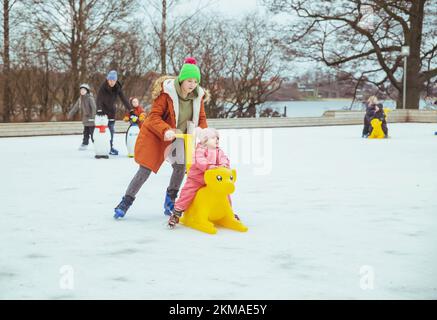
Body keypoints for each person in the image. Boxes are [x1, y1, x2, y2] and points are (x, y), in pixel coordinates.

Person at [113, 57, 208, 219]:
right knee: (145, 170)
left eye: (195, 81)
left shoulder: (198, 97)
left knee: (180, 166)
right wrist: (166, 129)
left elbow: (202, 119)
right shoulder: (167, 94)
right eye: (189, 81)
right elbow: (154, 116)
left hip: (179, 136)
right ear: (181, 80)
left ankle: (170, 200)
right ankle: (125, 202)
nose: (192, 85)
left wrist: (202, 131)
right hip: (158, 135)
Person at [167, 127, 240, 228]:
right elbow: (200, 161)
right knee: (188, 192)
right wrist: (209, 166)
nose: (217, 140)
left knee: (225, 192)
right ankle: (177, 212)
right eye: (213, 138)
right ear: (205, 140)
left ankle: (229, 213)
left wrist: (224, 166)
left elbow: (225, 159)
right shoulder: (200, 151)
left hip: (213, 180)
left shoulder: (219, 152)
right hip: (197, 178)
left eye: (217, 138)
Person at [96, 70, 133, 155]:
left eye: (113, 80)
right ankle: (102, 146)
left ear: (116, 81)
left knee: (111, 130)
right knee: (102, 131)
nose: (111, 82)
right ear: (107, 80)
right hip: (102, 112)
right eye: (110, 80)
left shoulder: (117, 87)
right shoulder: (103, 87)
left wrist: (130, 110)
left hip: (111, 111)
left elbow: (123, 99)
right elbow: (99, 99)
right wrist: (99, 109)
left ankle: (110, 147)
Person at [67, 83, 96, 150]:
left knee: (93, 134)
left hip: (91, 119)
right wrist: (70, 114)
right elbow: (75, 107)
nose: (82, 91)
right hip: (85, 119)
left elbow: (94, 108)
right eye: (81, 90)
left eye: (84, 90)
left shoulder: (90, 98)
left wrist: (93, 117)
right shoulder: (80, 99)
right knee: (85, 132)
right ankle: (84, 144)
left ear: (87, 91)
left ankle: (97, 144)